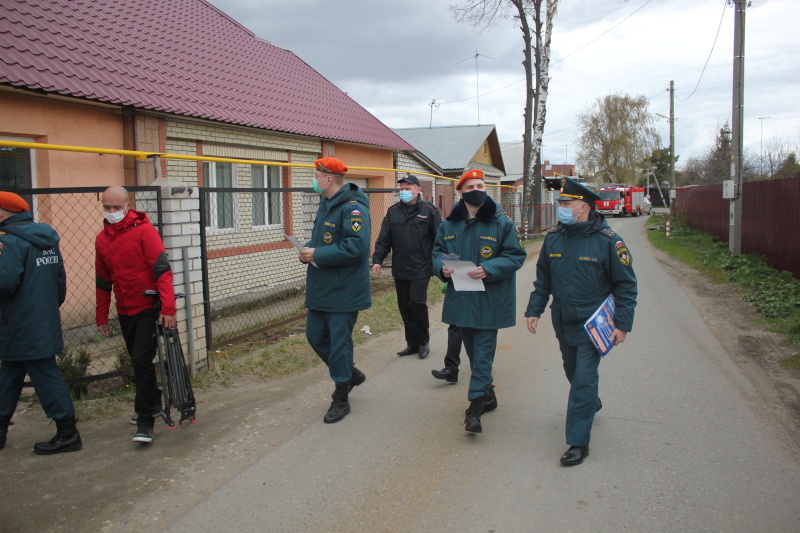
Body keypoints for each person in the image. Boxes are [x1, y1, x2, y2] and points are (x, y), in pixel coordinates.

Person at [525, 177, 637, 466]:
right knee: (572, 372)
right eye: (560, 202)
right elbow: (543, 281)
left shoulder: (609, 242)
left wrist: (622, 324)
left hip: (593, 324)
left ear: (583, 207)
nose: (561, 208)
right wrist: (534, 310)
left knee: (584, 381)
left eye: (566, 203)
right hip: (563, 321)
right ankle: (590, 404)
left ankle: (578, 442)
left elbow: (625, 285)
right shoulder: (553, 239)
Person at [432, 169, 526, 433]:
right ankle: (489, 395)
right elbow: (437, 253)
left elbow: (515, 255)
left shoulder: (502, 223)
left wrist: (489, 268)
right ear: (460, 192)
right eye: (471, 186)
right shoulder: (449, 224)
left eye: (481, 185)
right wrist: (442, 268)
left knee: (482, 354)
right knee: (474, 353)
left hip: (490, 301)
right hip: (462, 299)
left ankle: (474, 407)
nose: (477, 189)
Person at [0, 192, 82, 455]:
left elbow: (4, 283)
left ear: (2, 213)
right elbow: (60, 281)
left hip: (19, 322)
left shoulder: (10, 241)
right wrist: (45, 311)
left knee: (45, 376)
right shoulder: (46, 239)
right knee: (9, 374)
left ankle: (68, 433)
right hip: (39, 319)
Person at [95, 186, 176, 444]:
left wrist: (168, 308)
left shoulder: (145, 232)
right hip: (124, 308)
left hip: (146, 306)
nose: (111, 212)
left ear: (128, 205)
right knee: (138, 361)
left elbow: (162, 270)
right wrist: (101, 317)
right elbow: (102, 281)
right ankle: (152, 402)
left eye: (116, 207)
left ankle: (144, 421)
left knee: (141, 360)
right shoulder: (102, 239)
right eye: (107, 207)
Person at [299, 157, 371, 424]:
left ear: (329, 179)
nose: (313, 179)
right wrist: (307, 250)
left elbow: (356, 247)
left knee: (339, 343)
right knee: (315, 336)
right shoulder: (326, 204)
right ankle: (350, 374)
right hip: (321, 287)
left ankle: (341, 395)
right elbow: (323, 241)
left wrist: (318, 253)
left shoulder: (353, 209)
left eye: (316, 175)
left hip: (344, 289)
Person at [372, 173, 441, 359]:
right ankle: (412, 343)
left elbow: (440, 240)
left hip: (422, 266)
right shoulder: (393, 211)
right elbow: (384, 238)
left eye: (408, 188)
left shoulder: (430, 211)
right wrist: (377, 259)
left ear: (418, 190)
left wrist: (441, 262)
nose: (404, 192)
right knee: (404, 306)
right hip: (401, 267)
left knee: (417, 302)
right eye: (401, 189)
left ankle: (424, 341)